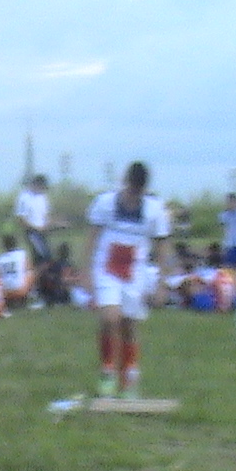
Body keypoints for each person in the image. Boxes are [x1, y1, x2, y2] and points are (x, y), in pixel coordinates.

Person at [82, 162, 172, 398]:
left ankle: (129, 377)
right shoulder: (105, 203)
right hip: (107, 268)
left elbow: (163, 247)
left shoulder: (154, 210)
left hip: (135, 273)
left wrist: (162, 283)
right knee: (110, 318)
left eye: (138, 190)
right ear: (125, 182)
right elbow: (91, 239)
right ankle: (107, 371)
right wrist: (85, 272)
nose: (134, 194)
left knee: (129, 324)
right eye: (132, 188)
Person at [15, 175, 52, 308]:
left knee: (39, 261)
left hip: (42, 233)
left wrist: (47, 225)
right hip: (32, 233)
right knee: (45, 260)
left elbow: (46, 215)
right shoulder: (24, 197)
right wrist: (35, 228)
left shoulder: (43, 197)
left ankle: (36, 288)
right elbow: (21, 219)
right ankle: (30, 287)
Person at [0, 234, 33, 310]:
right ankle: (28, 296)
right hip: (20, 290)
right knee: (31, 273)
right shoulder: (22, 254)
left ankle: (9, 302)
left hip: (5, 292)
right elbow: (29, 270)